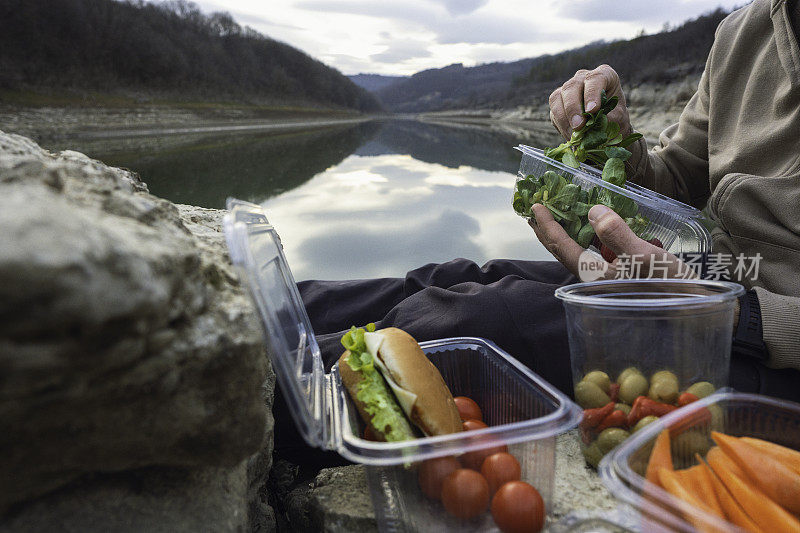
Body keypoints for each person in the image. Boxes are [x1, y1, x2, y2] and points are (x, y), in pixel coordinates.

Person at [278, 0, 800, 464]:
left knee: (486, 321)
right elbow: (680, 177)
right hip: (716, 279)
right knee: (459, 276)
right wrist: (613, 141)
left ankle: (249, 393)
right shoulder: (744, 32)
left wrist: (732, 313)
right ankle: (262, 312)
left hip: (766, 341)